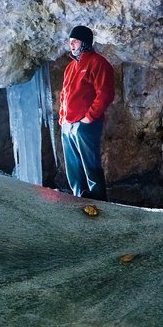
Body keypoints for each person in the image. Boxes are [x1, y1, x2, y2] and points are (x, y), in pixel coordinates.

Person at [58, 25, 115, 200]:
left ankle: (98, 200)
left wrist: (89, 118)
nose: (72, 45)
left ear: (85, 42)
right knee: (73, 166)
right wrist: (62, 118)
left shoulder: (98, 63)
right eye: (70, 42)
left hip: (85, 124)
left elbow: (105, 93)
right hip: (68, 125)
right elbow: (64, 94)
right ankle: (78, 197)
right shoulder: (70, 68)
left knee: (90, 164)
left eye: (75, 41)